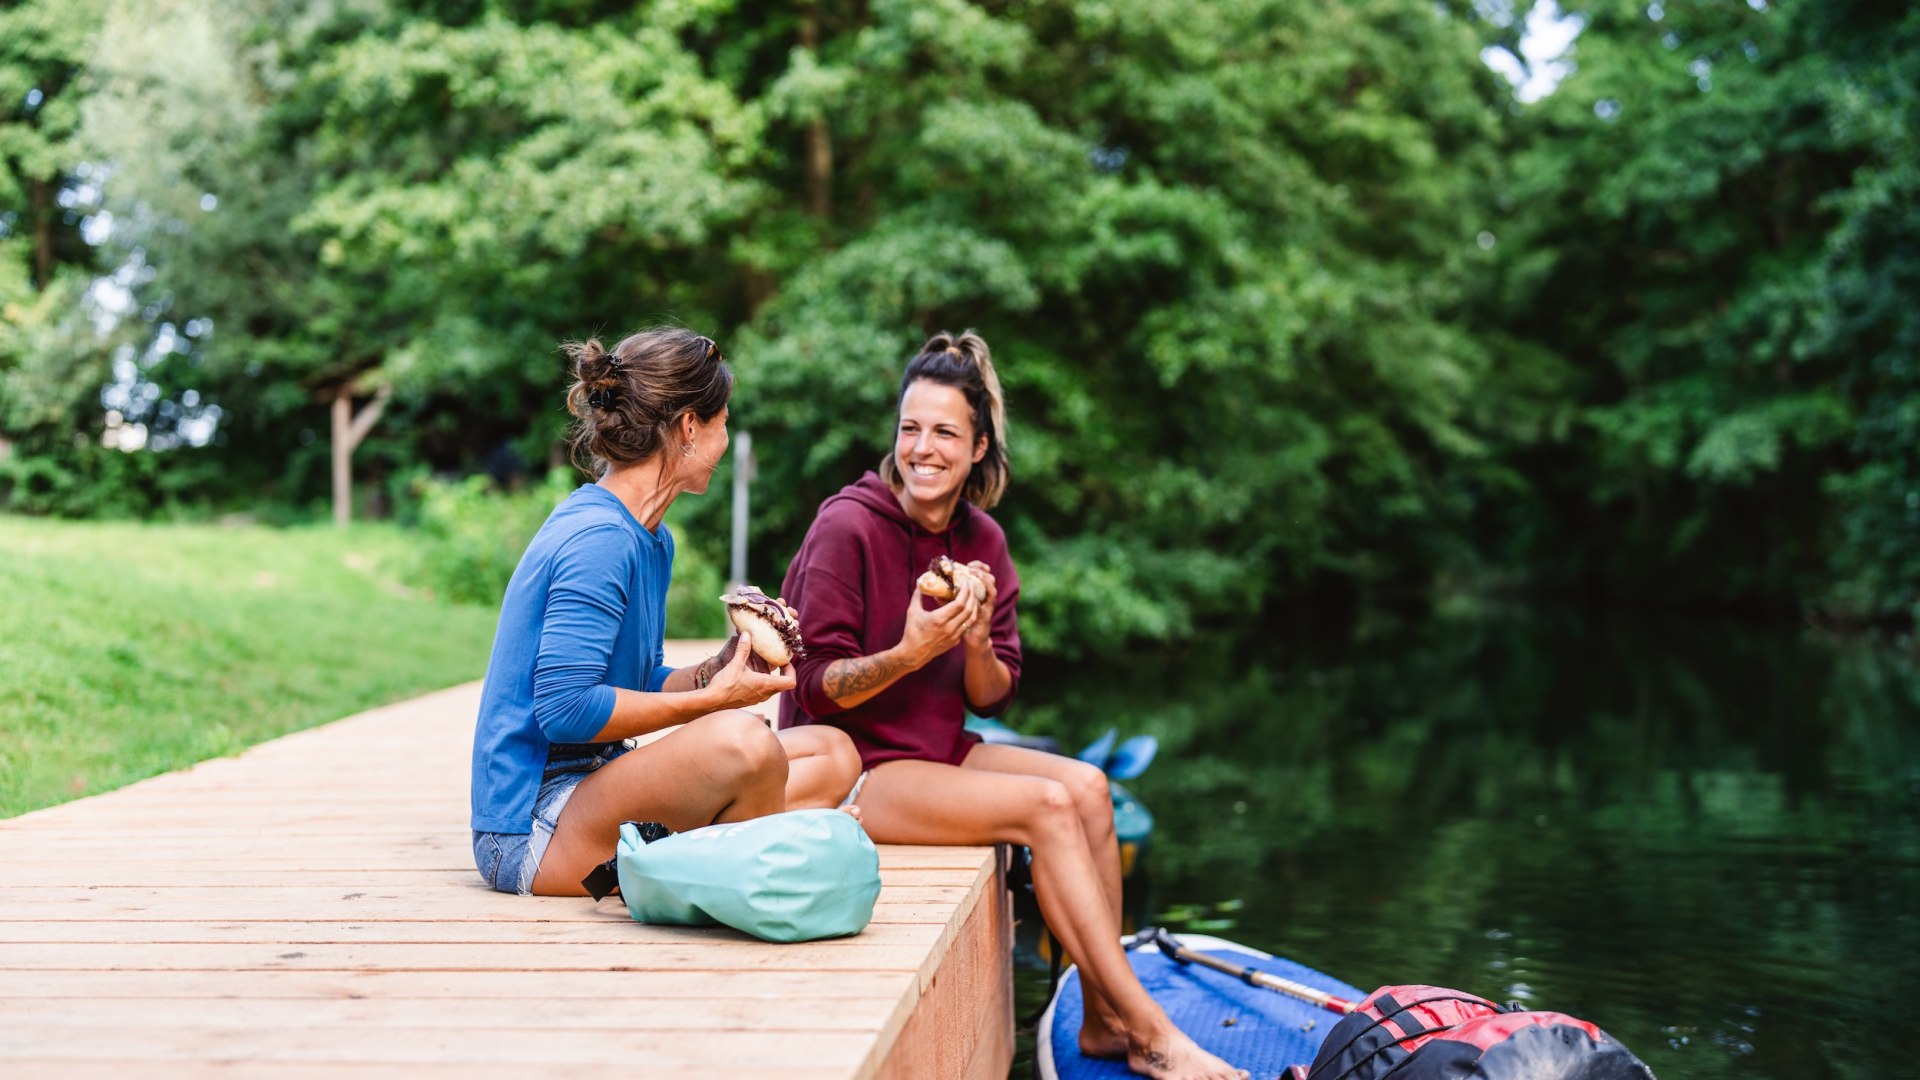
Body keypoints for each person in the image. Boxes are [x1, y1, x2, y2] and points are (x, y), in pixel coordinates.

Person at [778, 331, 1246, 1080]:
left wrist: (969, 642)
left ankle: (1099, 1021)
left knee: (1090, 788)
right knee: (1045, 809)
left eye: (944, 433)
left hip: (932, 747)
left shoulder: (981, 540)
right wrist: (910, 651)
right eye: (910, 429)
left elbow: (994, 692)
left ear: (977, 447)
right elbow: (811, 686)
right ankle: (1153, 1032)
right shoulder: (848, 525)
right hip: (850, 766)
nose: (922, 448)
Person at [471, 327, 862, 897]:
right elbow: (565, 709)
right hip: (533, 830)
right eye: (723, 421)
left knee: (831, 751)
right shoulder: (600, 538)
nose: (726, 439)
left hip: (596, 785)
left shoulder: (650, 537)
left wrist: (720, 667)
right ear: (687, 428)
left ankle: (734, 845)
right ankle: (769, 853)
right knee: (746, 742)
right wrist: (712, 704)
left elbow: (643, 679)